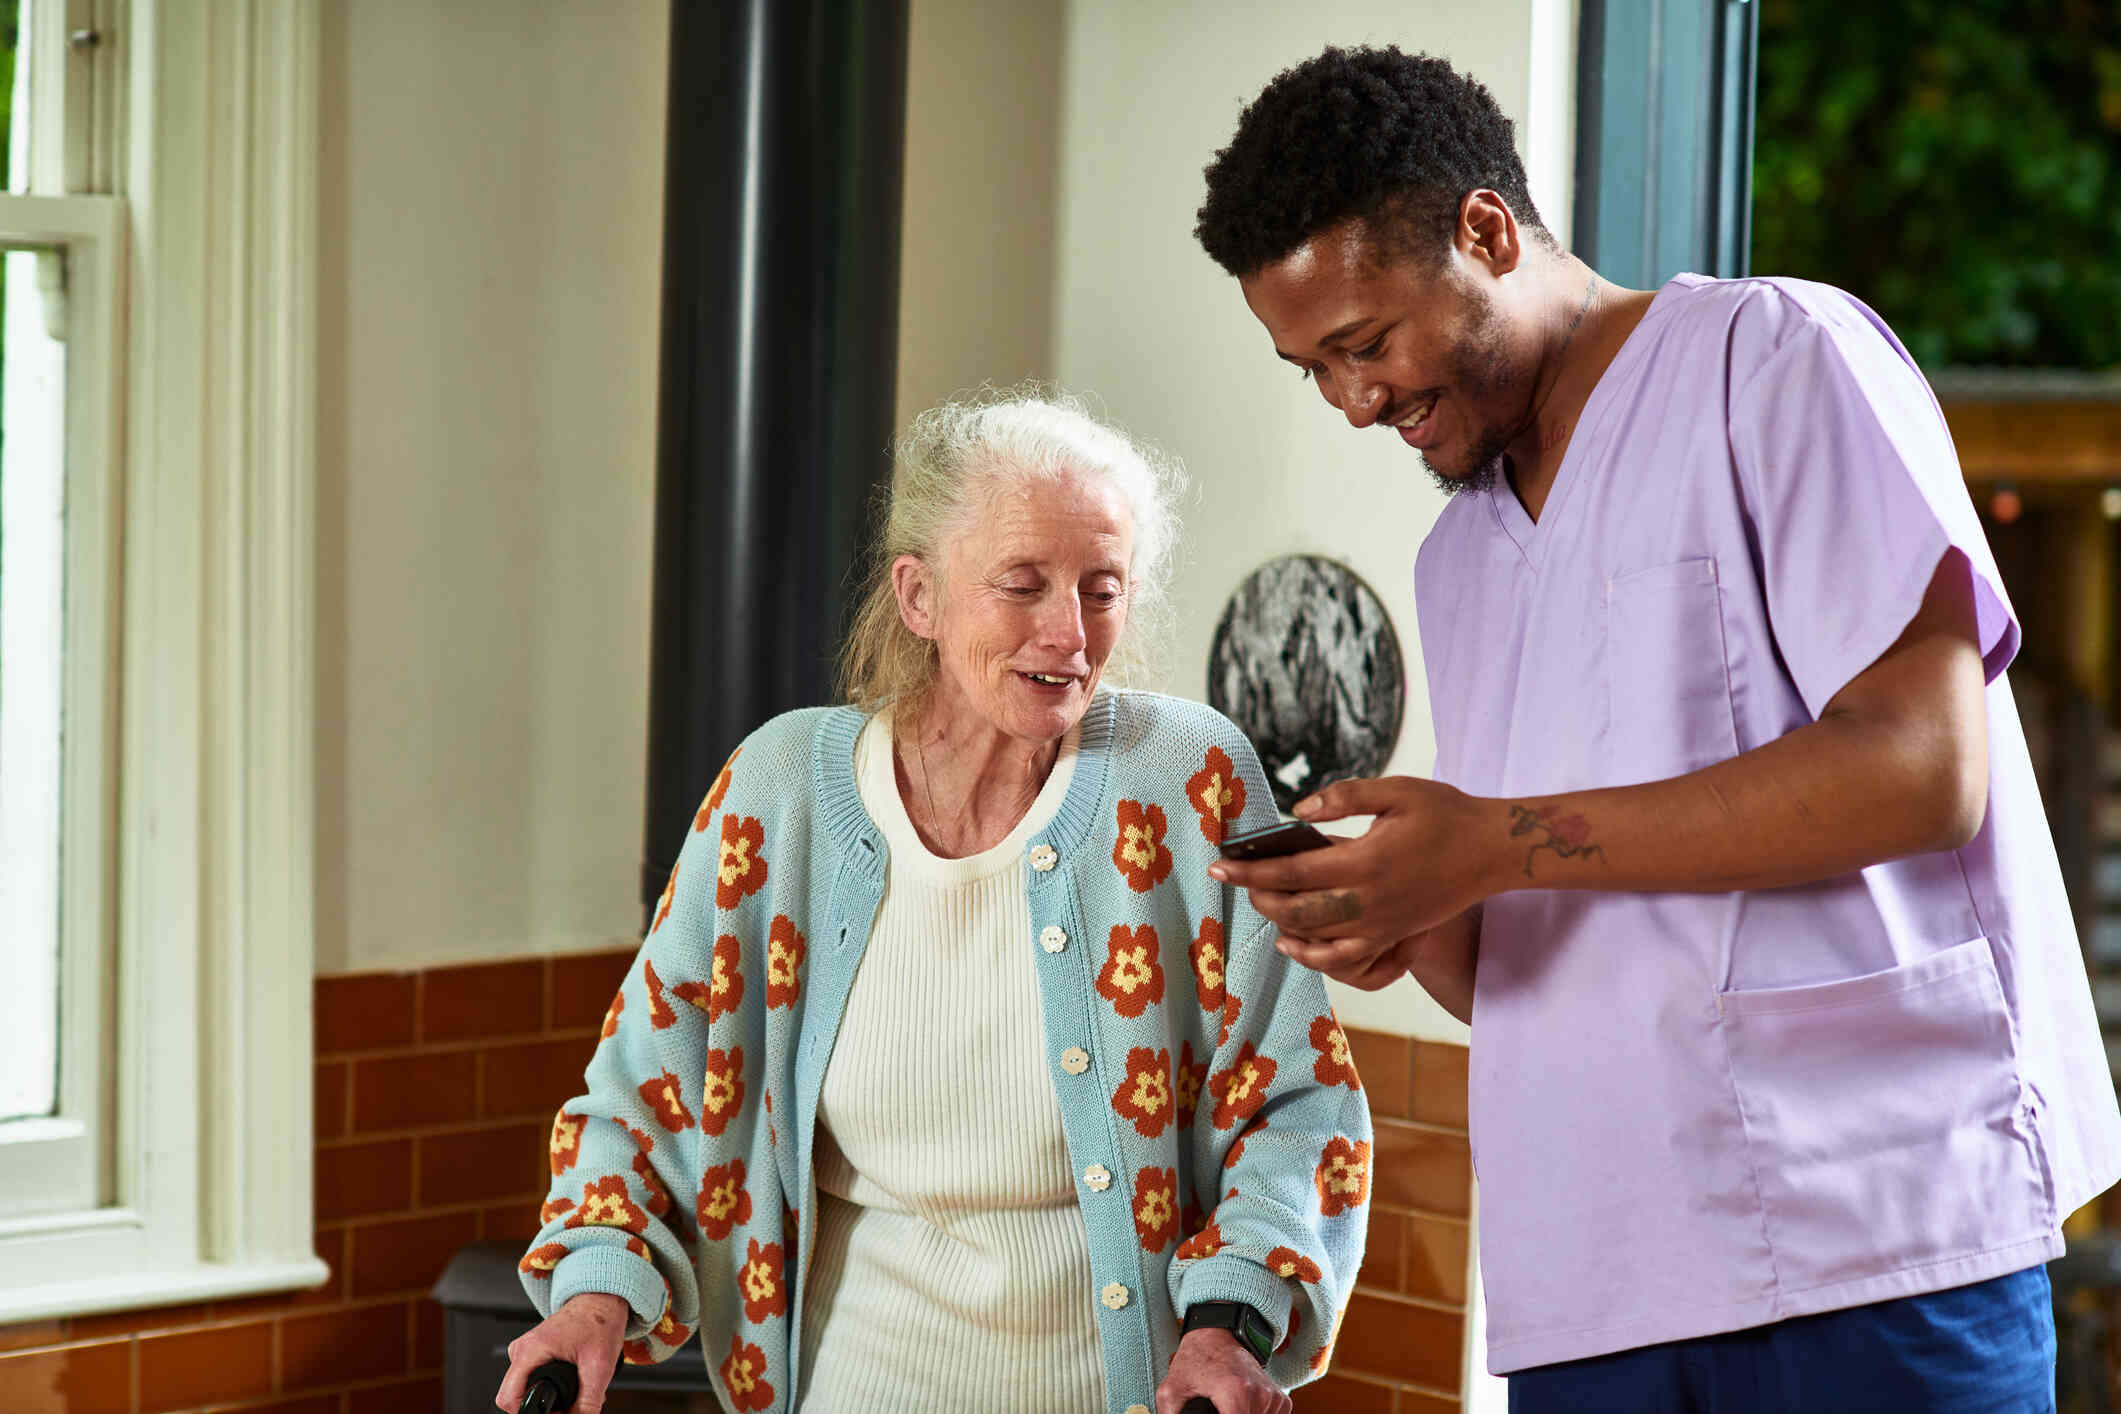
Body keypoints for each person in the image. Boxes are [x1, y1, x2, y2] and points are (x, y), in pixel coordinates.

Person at [1193, 44, 2120, 1413]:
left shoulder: (1775, 359)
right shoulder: (1462, 557)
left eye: (1363, 342)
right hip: (1593, 1278)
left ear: (1486, 232)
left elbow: (1923, 771)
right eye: (1310, 370)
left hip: (1869, 1240)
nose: (1352, 401)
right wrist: (1414, 910)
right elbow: (1563, 943)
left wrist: (1490, 844)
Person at [493, 387, 1371, 1414]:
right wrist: (596, 1291)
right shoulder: (782, 794)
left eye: (1102, 587)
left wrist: (1232, 1322)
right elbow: (648, 1090)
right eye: (1022, 583)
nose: (1069, 632)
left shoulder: (1185, 781)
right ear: (919, 598)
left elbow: (1299, 1100)